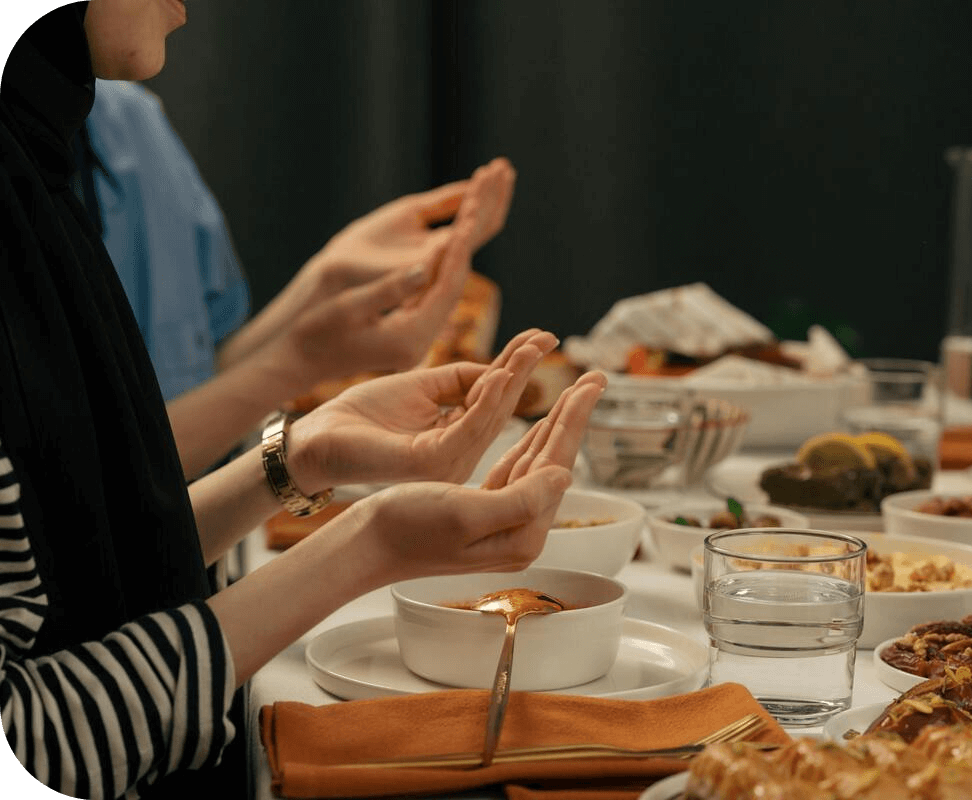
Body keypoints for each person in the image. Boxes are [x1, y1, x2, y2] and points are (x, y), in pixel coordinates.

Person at [0, 4, 605, 800]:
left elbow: (76, 579)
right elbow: (28, 737)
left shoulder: (29, 161)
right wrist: (366, 545)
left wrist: (294, 461)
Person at [75, 77, 518, 479]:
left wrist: (329, 278)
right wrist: (302, 363)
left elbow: (201, 378)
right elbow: (91, 482)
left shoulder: (134, 120)